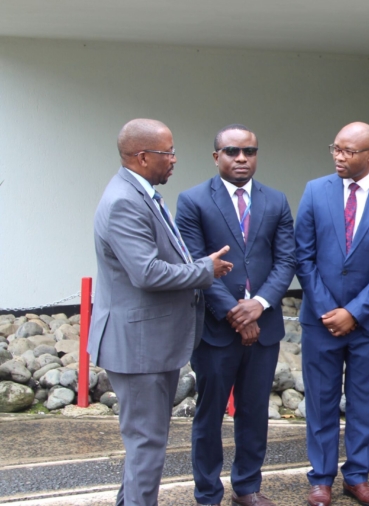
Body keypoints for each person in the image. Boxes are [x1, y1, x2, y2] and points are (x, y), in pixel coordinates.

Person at [88, 118, 233, 506]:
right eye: (167, 153)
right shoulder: (124, 201)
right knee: (148, 444)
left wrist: (196, 264)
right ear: (141, 157)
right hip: (139, 347)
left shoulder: (140, 192)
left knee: (145, 443)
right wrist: (205, 270)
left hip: (148, 343)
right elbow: (147, 272)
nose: (174, 160)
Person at [175, 124, 296, 506]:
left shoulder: (276, 201)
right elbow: (195, 264)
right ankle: (208, 492)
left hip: (265, 326)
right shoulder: (193, 200)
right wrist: (234, 312)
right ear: (217, 157)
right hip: (214, 329)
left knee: (254, 411)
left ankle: (247, 487)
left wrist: (258, 305)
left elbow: (286, 259)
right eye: (232, 151)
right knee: (209, 415)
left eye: (249, 151)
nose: (241, 158)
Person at [294, 122, 369, 506]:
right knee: (321, 401)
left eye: (349, 151)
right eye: (336, 149)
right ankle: (321, 479)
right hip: (320, 321)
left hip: (367, 323)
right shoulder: (314, 191)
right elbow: (303, 257)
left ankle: (356, 476)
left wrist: (354, 313)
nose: (339, 157)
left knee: (362, 403)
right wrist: (330, 310)